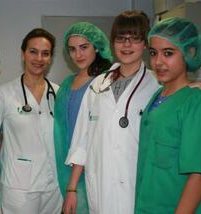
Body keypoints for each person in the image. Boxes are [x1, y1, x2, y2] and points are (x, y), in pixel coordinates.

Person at [65, 10, 159, 214]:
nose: (126, 45)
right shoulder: (98, 85)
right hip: (101, 187)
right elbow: (82, 140)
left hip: (138, 187)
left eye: (134, 38)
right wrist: (72, 188)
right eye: (120, 38)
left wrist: (191, 87)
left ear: (145, 43)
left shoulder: (158, 85)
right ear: (112, 42)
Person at [134, 17, 201, 213]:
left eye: (168, 53)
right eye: (153, 53)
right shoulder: (158, 97)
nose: (158, 62)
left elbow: (198, 174)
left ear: (188, 53)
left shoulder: (198, 103)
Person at [0, 28, 62, 214]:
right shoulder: (4, 94)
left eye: (45, 53)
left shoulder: (58, 93)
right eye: (33, 51)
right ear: (23, 54)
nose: (39, 58)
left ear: (50, 58)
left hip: (53, 187)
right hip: (18, 188)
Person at [54, 22, 113, 214]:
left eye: (84, 47)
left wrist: (186, 86)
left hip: (96, 168)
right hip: (67, 169)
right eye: (72, 49)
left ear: (97, 46)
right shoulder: (66, 84)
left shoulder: (108, 81)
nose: (78, 55)